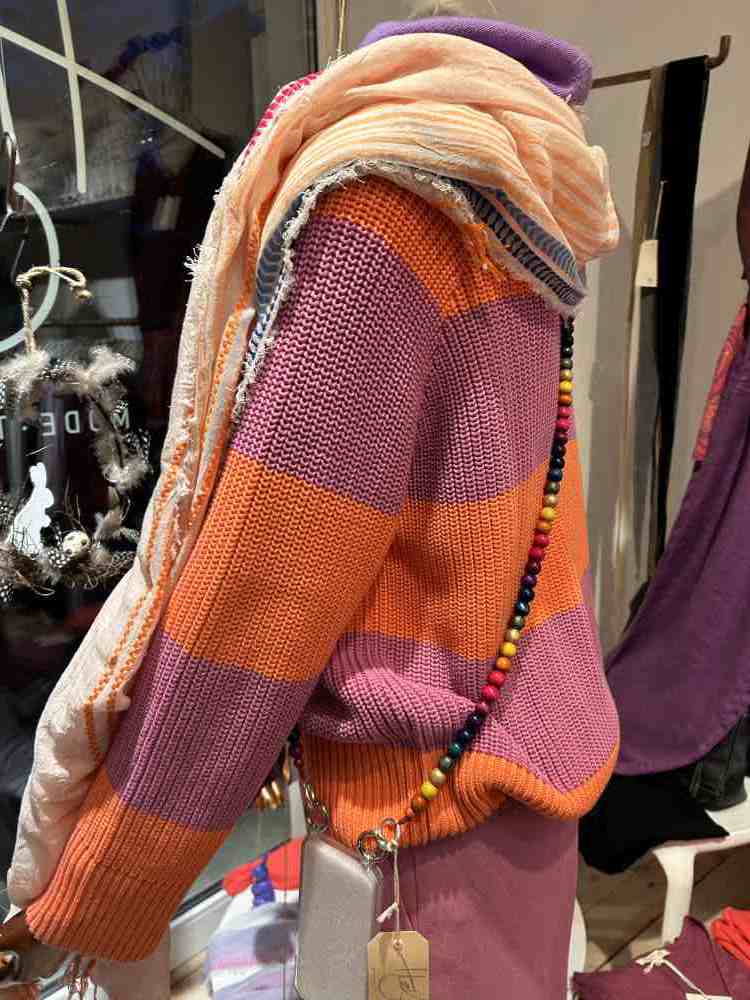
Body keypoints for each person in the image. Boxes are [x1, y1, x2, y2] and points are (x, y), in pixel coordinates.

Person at [1, 3, 619, 997]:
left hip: (423, 842)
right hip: (525, 793)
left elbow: (262, 594)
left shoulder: (387, 207)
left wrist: (97, 887)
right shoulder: (524, 172)